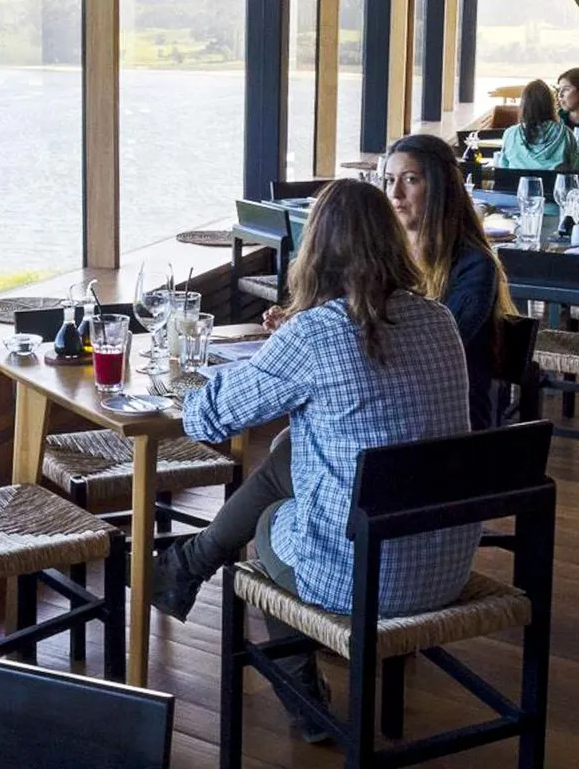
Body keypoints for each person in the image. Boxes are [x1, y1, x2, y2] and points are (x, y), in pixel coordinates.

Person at [150, 179, 478, 742]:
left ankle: (309, 708)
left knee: (269, 527)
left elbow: (207, 420)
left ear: (316, 247)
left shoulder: (317, 333)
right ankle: (187, 565)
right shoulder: (439, 320)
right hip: (444, 563)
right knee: (289, 451)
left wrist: (192, 375)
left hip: (366, 580)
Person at [382, 134, 516, 430]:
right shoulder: (385, 252)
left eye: (411, 180)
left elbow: (438, 348)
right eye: (390, 180)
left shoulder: (475, 266)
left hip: (451, 420)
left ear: (440, 188)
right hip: (396, 402)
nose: (395, 194)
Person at [498, 79, 579, 170]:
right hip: (554, 184)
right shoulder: (566, 134)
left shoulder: (510, 134)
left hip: (516, 184)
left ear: (524, 105)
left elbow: (502, 169)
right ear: (550, 104)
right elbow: (577, 169)